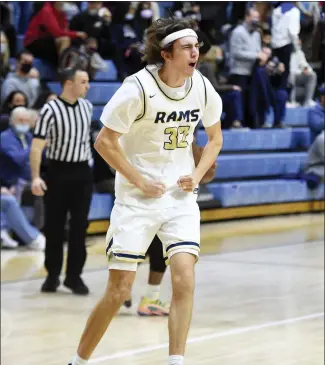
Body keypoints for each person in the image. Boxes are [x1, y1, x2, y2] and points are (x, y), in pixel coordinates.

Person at [68, 18, 223, 365]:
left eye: (197, 45)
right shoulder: (137, 88)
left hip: (180, 199)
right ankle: (77, 361)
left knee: (184, 278)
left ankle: (176, 361)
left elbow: (215, 138)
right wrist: (139, 180)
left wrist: (196, 174)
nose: (195, 51)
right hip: (137, 199)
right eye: (187, 46)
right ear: (166, 54)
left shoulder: (200, 85)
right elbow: (104, 141)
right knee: (119, 290)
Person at [125, 141, 217, 317]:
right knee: (154, 247)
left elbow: (206, 174)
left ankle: (129, 290)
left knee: (144, 246)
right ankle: (140, 294)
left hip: (157, 196)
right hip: (159, 197)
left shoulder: (186, 137)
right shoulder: (182, 138)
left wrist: (207, 167)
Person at [30, 68, 93, 296]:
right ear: (68, 83)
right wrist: (36, 176)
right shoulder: (50, 109)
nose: (87, 86)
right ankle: (53, 274)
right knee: (54, 227)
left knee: (79, 227)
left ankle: (74, 276)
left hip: (82, 173)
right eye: (83, 82)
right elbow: (37, 146)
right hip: (58, 172)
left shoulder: (87, 107)